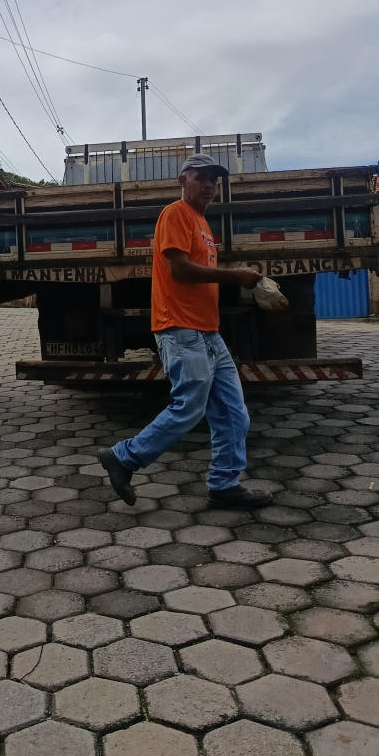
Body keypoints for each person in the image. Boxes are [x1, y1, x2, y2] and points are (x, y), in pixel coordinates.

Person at [98, 154, 273, 510]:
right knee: (189, 408)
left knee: (234, 413)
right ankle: (123, 457)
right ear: (182, 180)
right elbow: (179, 269)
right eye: (201, 177)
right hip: (180, 329)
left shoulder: (202, 223)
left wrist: (246, 280)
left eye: (214, 180)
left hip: (208, 332)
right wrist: (235, 276)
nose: (209, 185)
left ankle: (224, 485)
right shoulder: (175, 213)